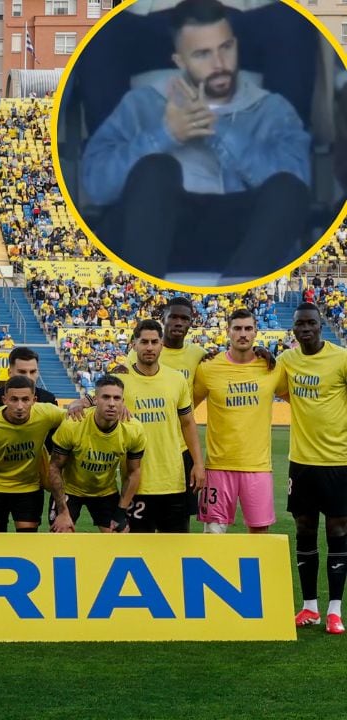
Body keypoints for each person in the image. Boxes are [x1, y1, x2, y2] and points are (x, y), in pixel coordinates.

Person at [79, 0, 311, 282]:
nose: (219, 64)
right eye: (202, 54)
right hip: (158, 231)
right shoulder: (141, 104)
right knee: (157, 167)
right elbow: (97, 187)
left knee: (288, 185)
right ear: (180, 61)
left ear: (236, 44)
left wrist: (217, 130)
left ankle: (234, 298)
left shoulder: (272, 109)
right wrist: (166, 135)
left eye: (225, 48)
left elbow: (298, 189)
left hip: (240, 236)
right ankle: (143, 300)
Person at [278, 304, 347, 634]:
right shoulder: (287, 360)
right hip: (301, 462)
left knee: (337, 531)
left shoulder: (341, 358)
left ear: (321, 326)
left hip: (338, 461)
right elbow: (272, 383)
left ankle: (335, 610)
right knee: (304, 529)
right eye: (299, 324)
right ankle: (309, 608)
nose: (305, 328)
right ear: (293, 329)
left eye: (311, 323)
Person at [192, 309, 286, 534]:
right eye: (237, 328)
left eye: (248, 328)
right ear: (228, 332)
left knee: (259, 534)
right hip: (217, 466)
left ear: (256, 332)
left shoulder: (272, 368)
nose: (242, 334)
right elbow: (185, 409)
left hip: (258, 467)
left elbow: (298, 400)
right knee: (213, 534)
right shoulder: (208, 368)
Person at [121, 319, 206, 533]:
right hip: (136, 481)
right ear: (134, 345)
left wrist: (198, 463)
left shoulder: (176, 380)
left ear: (161, 345)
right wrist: (81, 401)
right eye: (144, 342)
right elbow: (98, 405)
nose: (149, 347)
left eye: (154, 342)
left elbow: (187, 423)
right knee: (138, 552)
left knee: (177, 551)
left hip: (173, 479)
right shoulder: (119, 380)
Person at [0, 376, 68, 533]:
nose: (20, 406)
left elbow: (79, 416)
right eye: (14, 399)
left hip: (28, 488)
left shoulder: (46, 413)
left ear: (34, 400)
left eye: (25, 400)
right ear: (4, 400)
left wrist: (85, 401)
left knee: (26, 542)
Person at [46, 375, 145, 533]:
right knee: (61, 533)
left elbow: (134, 472)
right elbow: (54, 468)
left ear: (123, 402)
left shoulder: (133, 429)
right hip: (70, 490)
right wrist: (63, 511)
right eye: (106, 397)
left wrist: (120, 513)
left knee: (119, 535)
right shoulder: (73, 424)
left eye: (116, 398)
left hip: (105, 491)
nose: (111, 403)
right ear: (96, 399)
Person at [0, 347, 59, 411]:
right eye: (22, 372)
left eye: (33, 372)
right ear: (10, 372)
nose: (28, 377)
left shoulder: (48, 400)